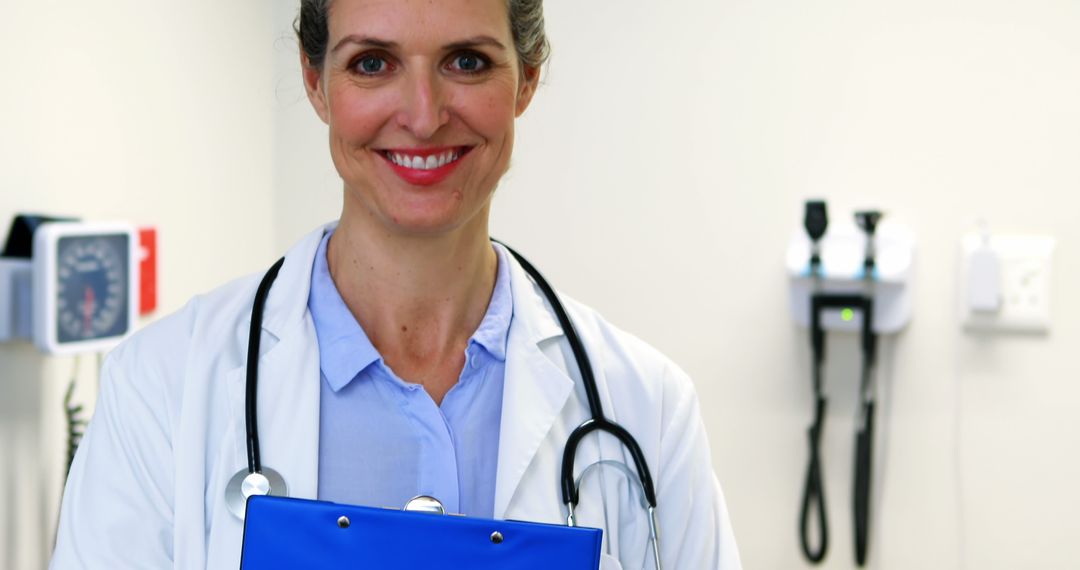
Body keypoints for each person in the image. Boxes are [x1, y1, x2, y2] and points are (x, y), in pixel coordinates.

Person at [50, 0, 742, 568]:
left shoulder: (645, 406)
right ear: (316, 81)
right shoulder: (164, 388)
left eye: (467, 62)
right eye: (372, 63)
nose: (423, 112)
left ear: (527, 78)